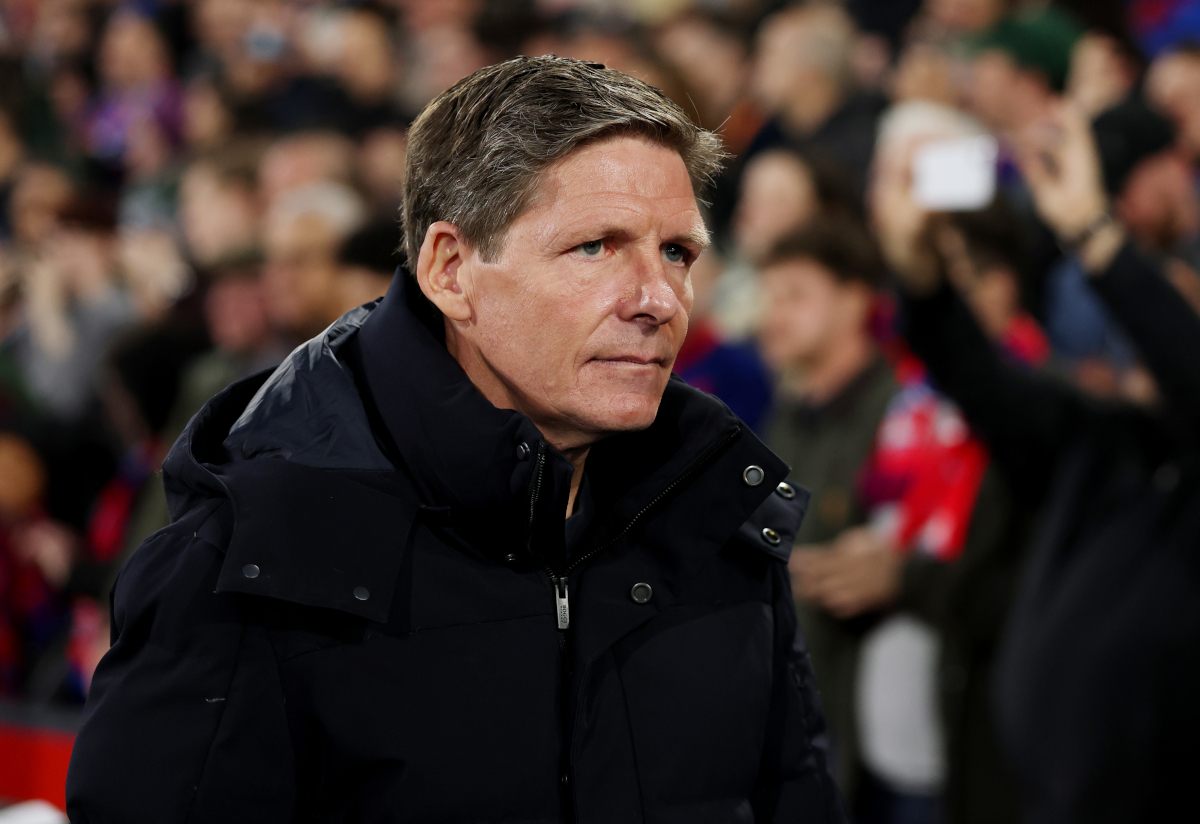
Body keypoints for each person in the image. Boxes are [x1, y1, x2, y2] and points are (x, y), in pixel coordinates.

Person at [66, 55, 845, 823]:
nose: (658, 298)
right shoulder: (250, 555)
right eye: (596, 246)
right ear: (449, 268)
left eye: (677, 251)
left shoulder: (720, 518)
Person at [872, 98, 1200, 823]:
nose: (1146, 336)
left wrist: (1094, 233)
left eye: (1171, 314)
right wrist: (920, 275)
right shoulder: (1104, 442)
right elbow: (974, 376)